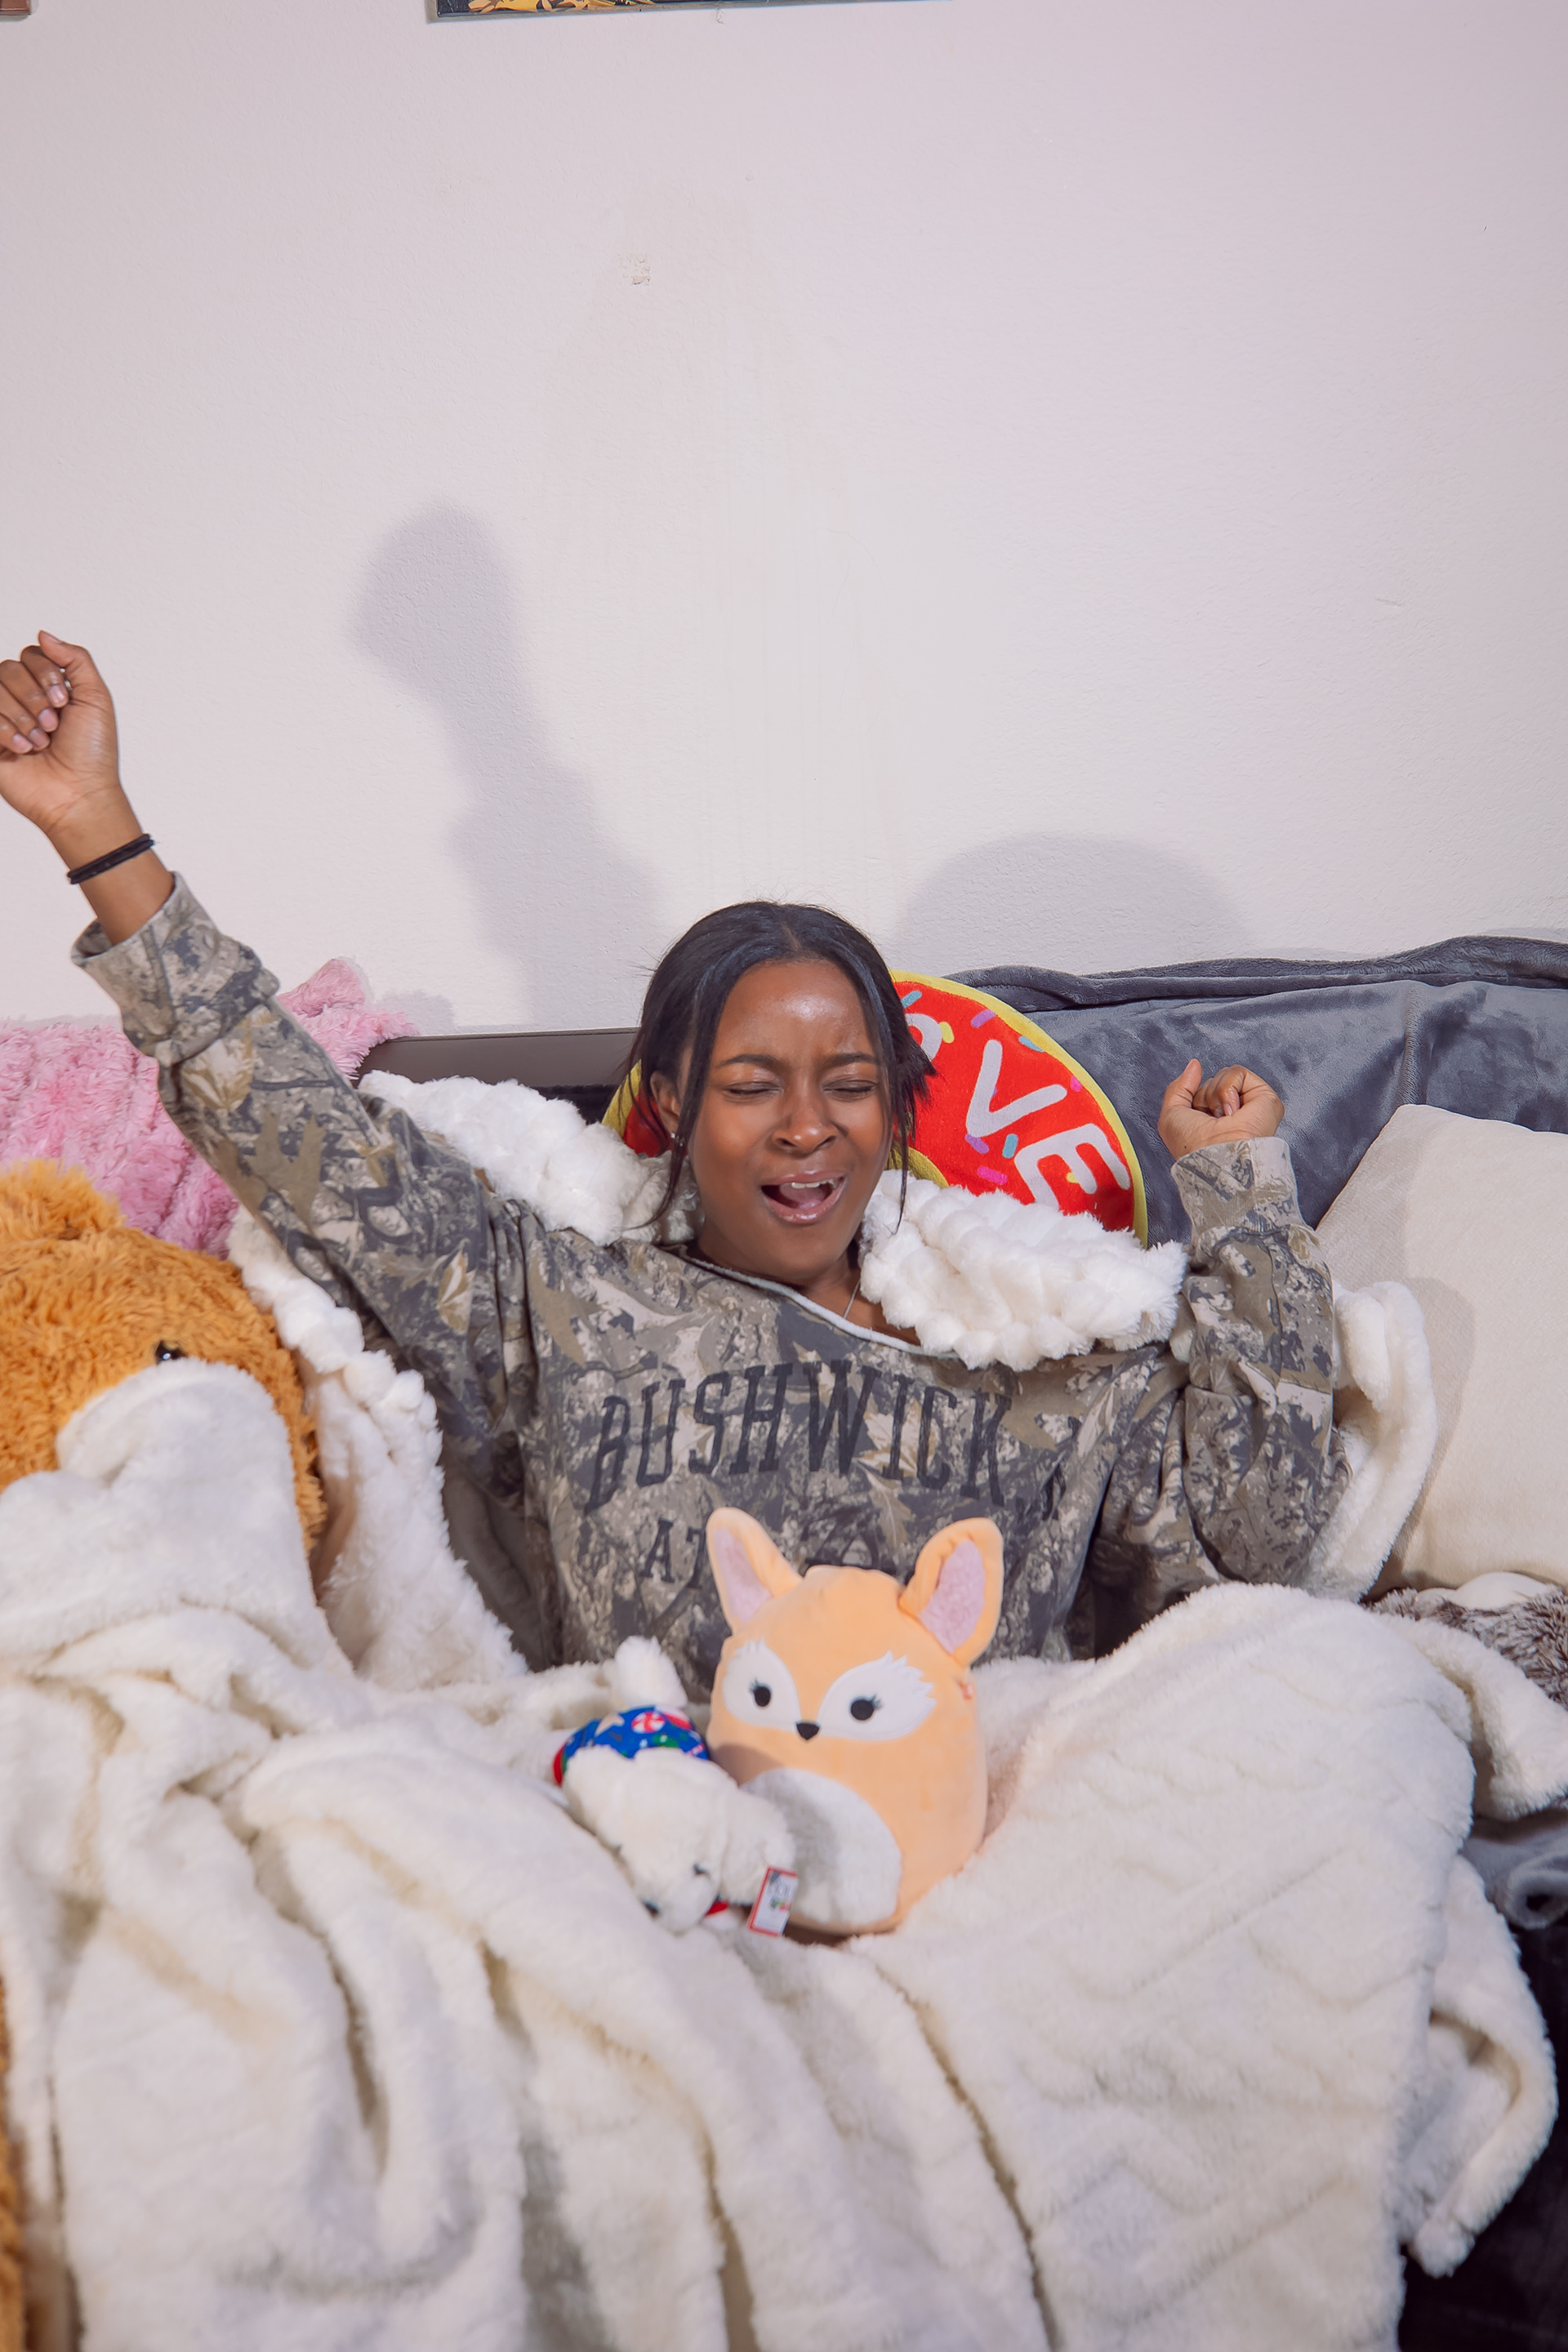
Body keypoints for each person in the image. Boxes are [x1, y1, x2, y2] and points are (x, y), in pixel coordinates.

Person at [0, 630, 1349, 1695]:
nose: (806, 1126)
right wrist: (97, 828)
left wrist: (1241, 1200)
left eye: (849, 1086)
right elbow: (298, 1131)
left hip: (963, 1841)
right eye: (752, 1087)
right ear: (673, 1108)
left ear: (897, 1115)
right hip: (662, 1847)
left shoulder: (1041, 1366)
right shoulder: (556, 1311)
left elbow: (1260, 1543)